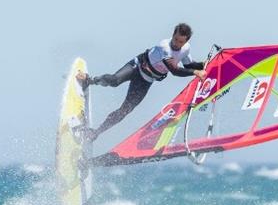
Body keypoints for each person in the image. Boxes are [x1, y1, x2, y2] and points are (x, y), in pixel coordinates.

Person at [76, 23, 206, 142]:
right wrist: (195, 72)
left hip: (146, 80)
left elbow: (189, 65)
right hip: (136, 67)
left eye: (180, 42)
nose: (176, 43)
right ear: (173, 35)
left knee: (125, 110)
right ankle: (89, 80)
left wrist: (203, 65)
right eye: (175, 39)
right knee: (115, 80)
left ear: (186, 42)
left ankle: (95, 133)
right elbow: (174, 70)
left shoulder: (186, 49)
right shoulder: (164, 47)